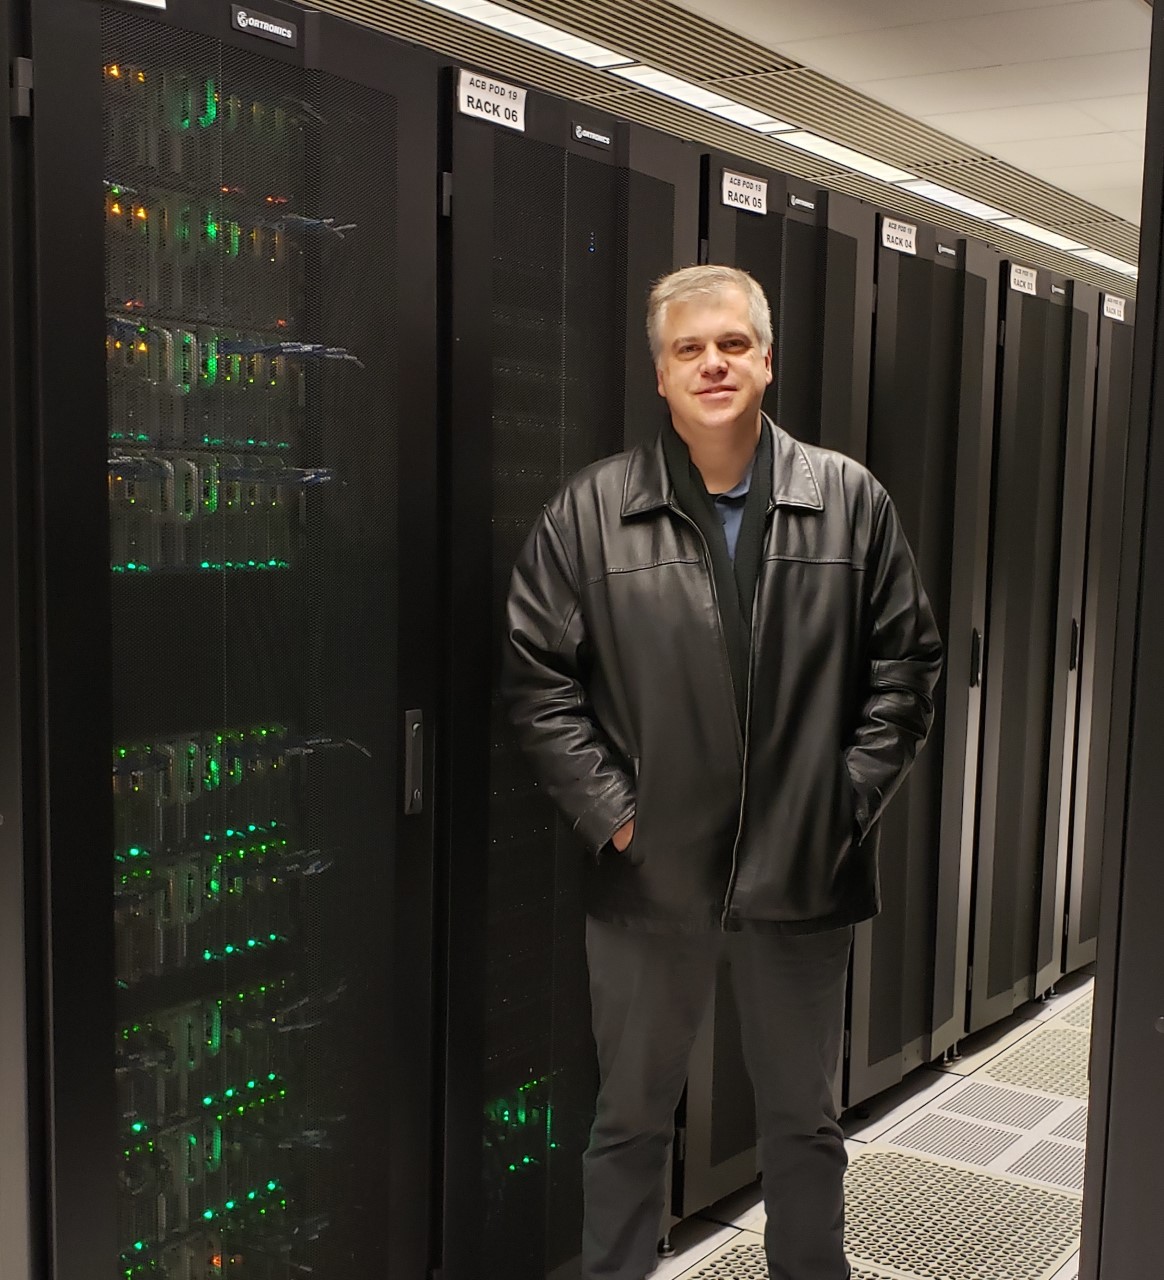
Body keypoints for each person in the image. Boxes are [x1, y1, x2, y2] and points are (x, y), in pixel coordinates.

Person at [501, 264, 942, 1280]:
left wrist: (842, 805)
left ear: (768, 359)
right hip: (650, 880)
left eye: (733, 343)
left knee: (803, 1127)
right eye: (689, 348)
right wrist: (621, 819)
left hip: (803, 875)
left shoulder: (849, 501)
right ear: (659, 374)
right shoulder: (592, 512)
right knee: (627, 1123)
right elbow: (537, 683)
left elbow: (907, 667)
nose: (713, 363)